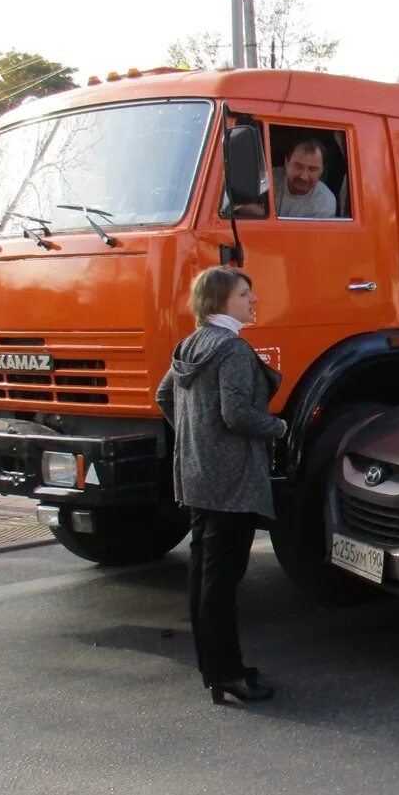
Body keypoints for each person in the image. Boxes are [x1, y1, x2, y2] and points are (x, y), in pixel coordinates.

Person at [155, 267, 287, 706]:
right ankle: (229, 673)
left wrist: (197, 437)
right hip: (231, 480)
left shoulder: (189, 345)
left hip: (197, 474)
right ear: (220, 302)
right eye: (245, 294)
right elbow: (237, 415)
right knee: (223, 579)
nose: (253, 301)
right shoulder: (230, 349)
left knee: (204, 575)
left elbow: (163, 396)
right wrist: (279, 427)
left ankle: (215, 668)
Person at [272, 138, 337, 218]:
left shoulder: (325, 200)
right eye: (298, 166)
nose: (304, 177)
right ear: (286, 162)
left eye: (312, 169)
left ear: (322, 170)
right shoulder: (270, 179)